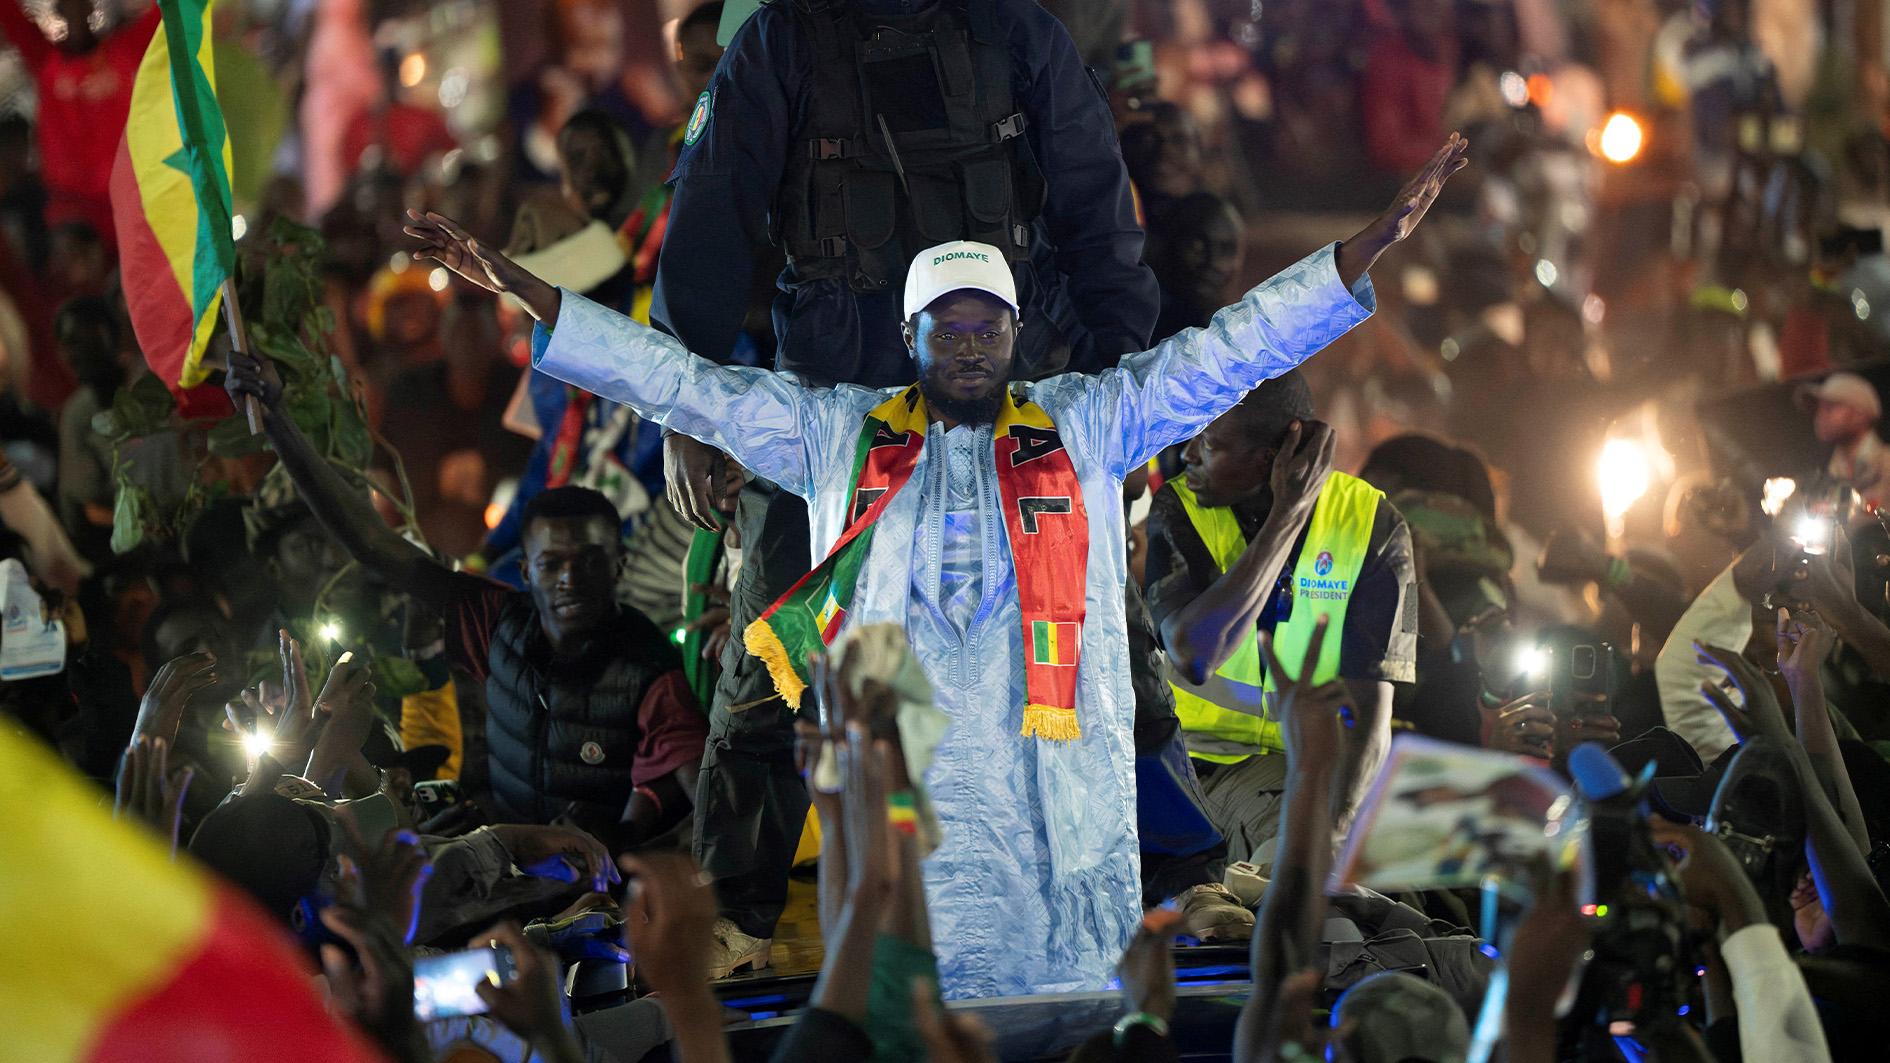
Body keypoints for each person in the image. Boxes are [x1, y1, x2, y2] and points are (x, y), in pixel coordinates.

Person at [397, 133, 1467, 996]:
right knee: (910, 1009)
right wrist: (532, 296)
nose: (968, 344)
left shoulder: (1090, 423)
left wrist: (1357, 253)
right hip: (914, 825)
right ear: (910, 335)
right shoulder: (835, 436)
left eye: (987, 326)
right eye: (946, 327)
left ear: (1013, 335)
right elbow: (685, 386)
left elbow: (1229, 350)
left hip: (1063, 824)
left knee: (1076, 1015)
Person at [653, 0, 1165, 977]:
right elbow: (711, 209)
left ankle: (1176, 879)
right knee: (775, 652)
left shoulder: (1018, 32)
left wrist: (1122, 394)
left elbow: (1098, 216)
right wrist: (687, 402)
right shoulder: (784, 39)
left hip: (1015, 406)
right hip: (839, 413)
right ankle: (738, 911)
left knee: (1105, 652)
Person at [221, 354, 708, 854]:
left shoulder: (651, 672)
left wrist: (623, 843)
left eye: (589, 562)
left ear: (619, 567)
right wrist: (277, 419)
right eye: (551, 564)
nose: (569, 580)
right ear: (524, 571)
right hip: (507, 869)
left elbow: (707, 817)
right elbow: (370, 543)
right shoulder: (497, 623)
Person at [1145, 370, 1415, 870]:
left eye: (1208, 443)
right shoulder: (1179, 507)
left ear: (1268, 460)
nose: (1188, 457)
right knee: (1297, 845)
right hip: (1202, 767)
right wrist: (1286, 516)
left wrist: (1338, 827)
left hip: (1316, 767)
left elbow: (1370, 715)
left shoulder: (1374, 522)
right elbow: (1193, 653)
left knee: (1412, 877)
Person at [0, 0, 160, 245]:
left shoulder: (123, 51)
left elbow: (168, 13)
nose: (75, 14)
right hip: (72, 210)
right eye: (68, 7)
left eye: (80, 6)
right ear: (60, 13)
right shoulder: (46, 60)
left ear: (90, 10)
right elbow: (11, 17)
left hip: (128, 202)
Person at [1802, 371, 1890, 511]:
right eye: (1818, 409)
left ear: (1860, 414)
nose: (1820, 415)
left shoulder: (1886, 466)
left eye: (1830, 407)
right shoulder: (1821, 481)